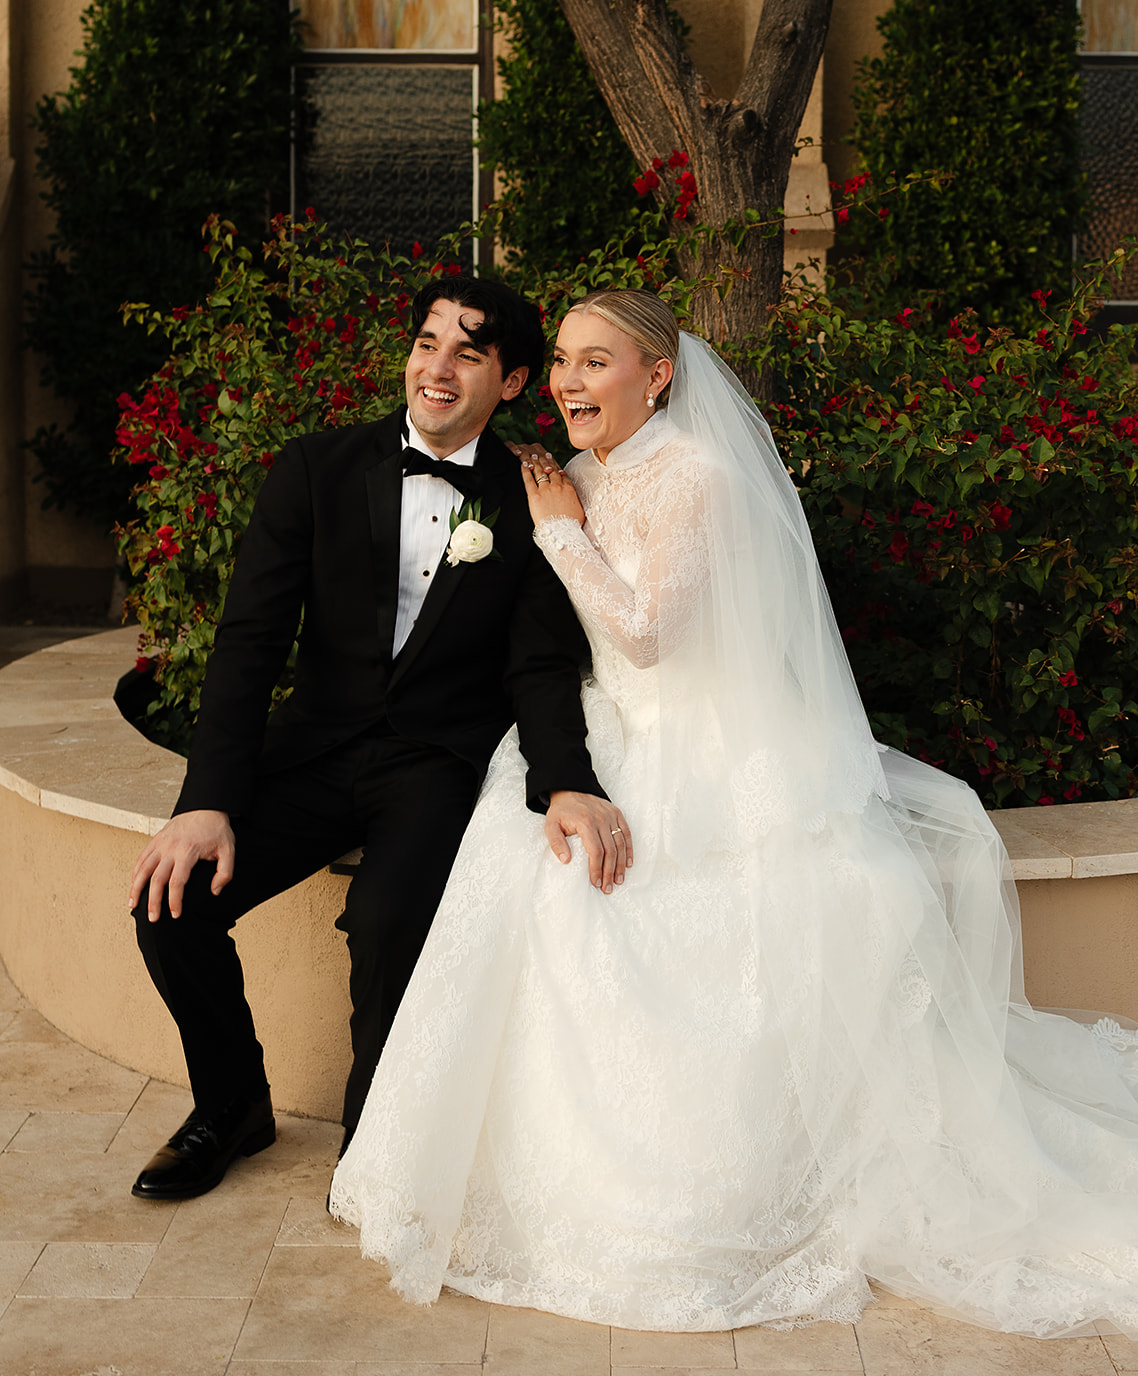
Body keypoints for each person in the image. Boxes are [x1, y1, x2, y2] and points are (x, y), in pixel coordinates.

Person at [331, 288, 1138, 1339]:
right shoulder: (578, 472)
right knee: (532, 873)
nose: (570, 381)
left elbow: (648, 633)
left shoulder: (696, 476)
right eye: (563, 361)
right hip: (607, 735)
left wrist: (561, 536)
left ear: (658, 375)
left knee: (651, 914)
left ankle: (694, 1199)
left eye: (596, 361)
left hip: (702, 750)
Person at [127, 275, 630, 1201]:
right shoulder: (315, 468)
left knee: (392, 922)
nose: (437, 369)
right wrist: (206, 801)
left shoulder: (529, 499)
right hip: (313, 748)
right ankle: (231, 1106)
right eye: (428, 343)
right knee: (172, 902)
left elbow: (540, 663)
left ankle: (372, 1146)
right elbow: (249, 641)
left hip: (434, 763)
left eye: (468, 353)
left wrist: (566, 779)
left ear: (512, 381)